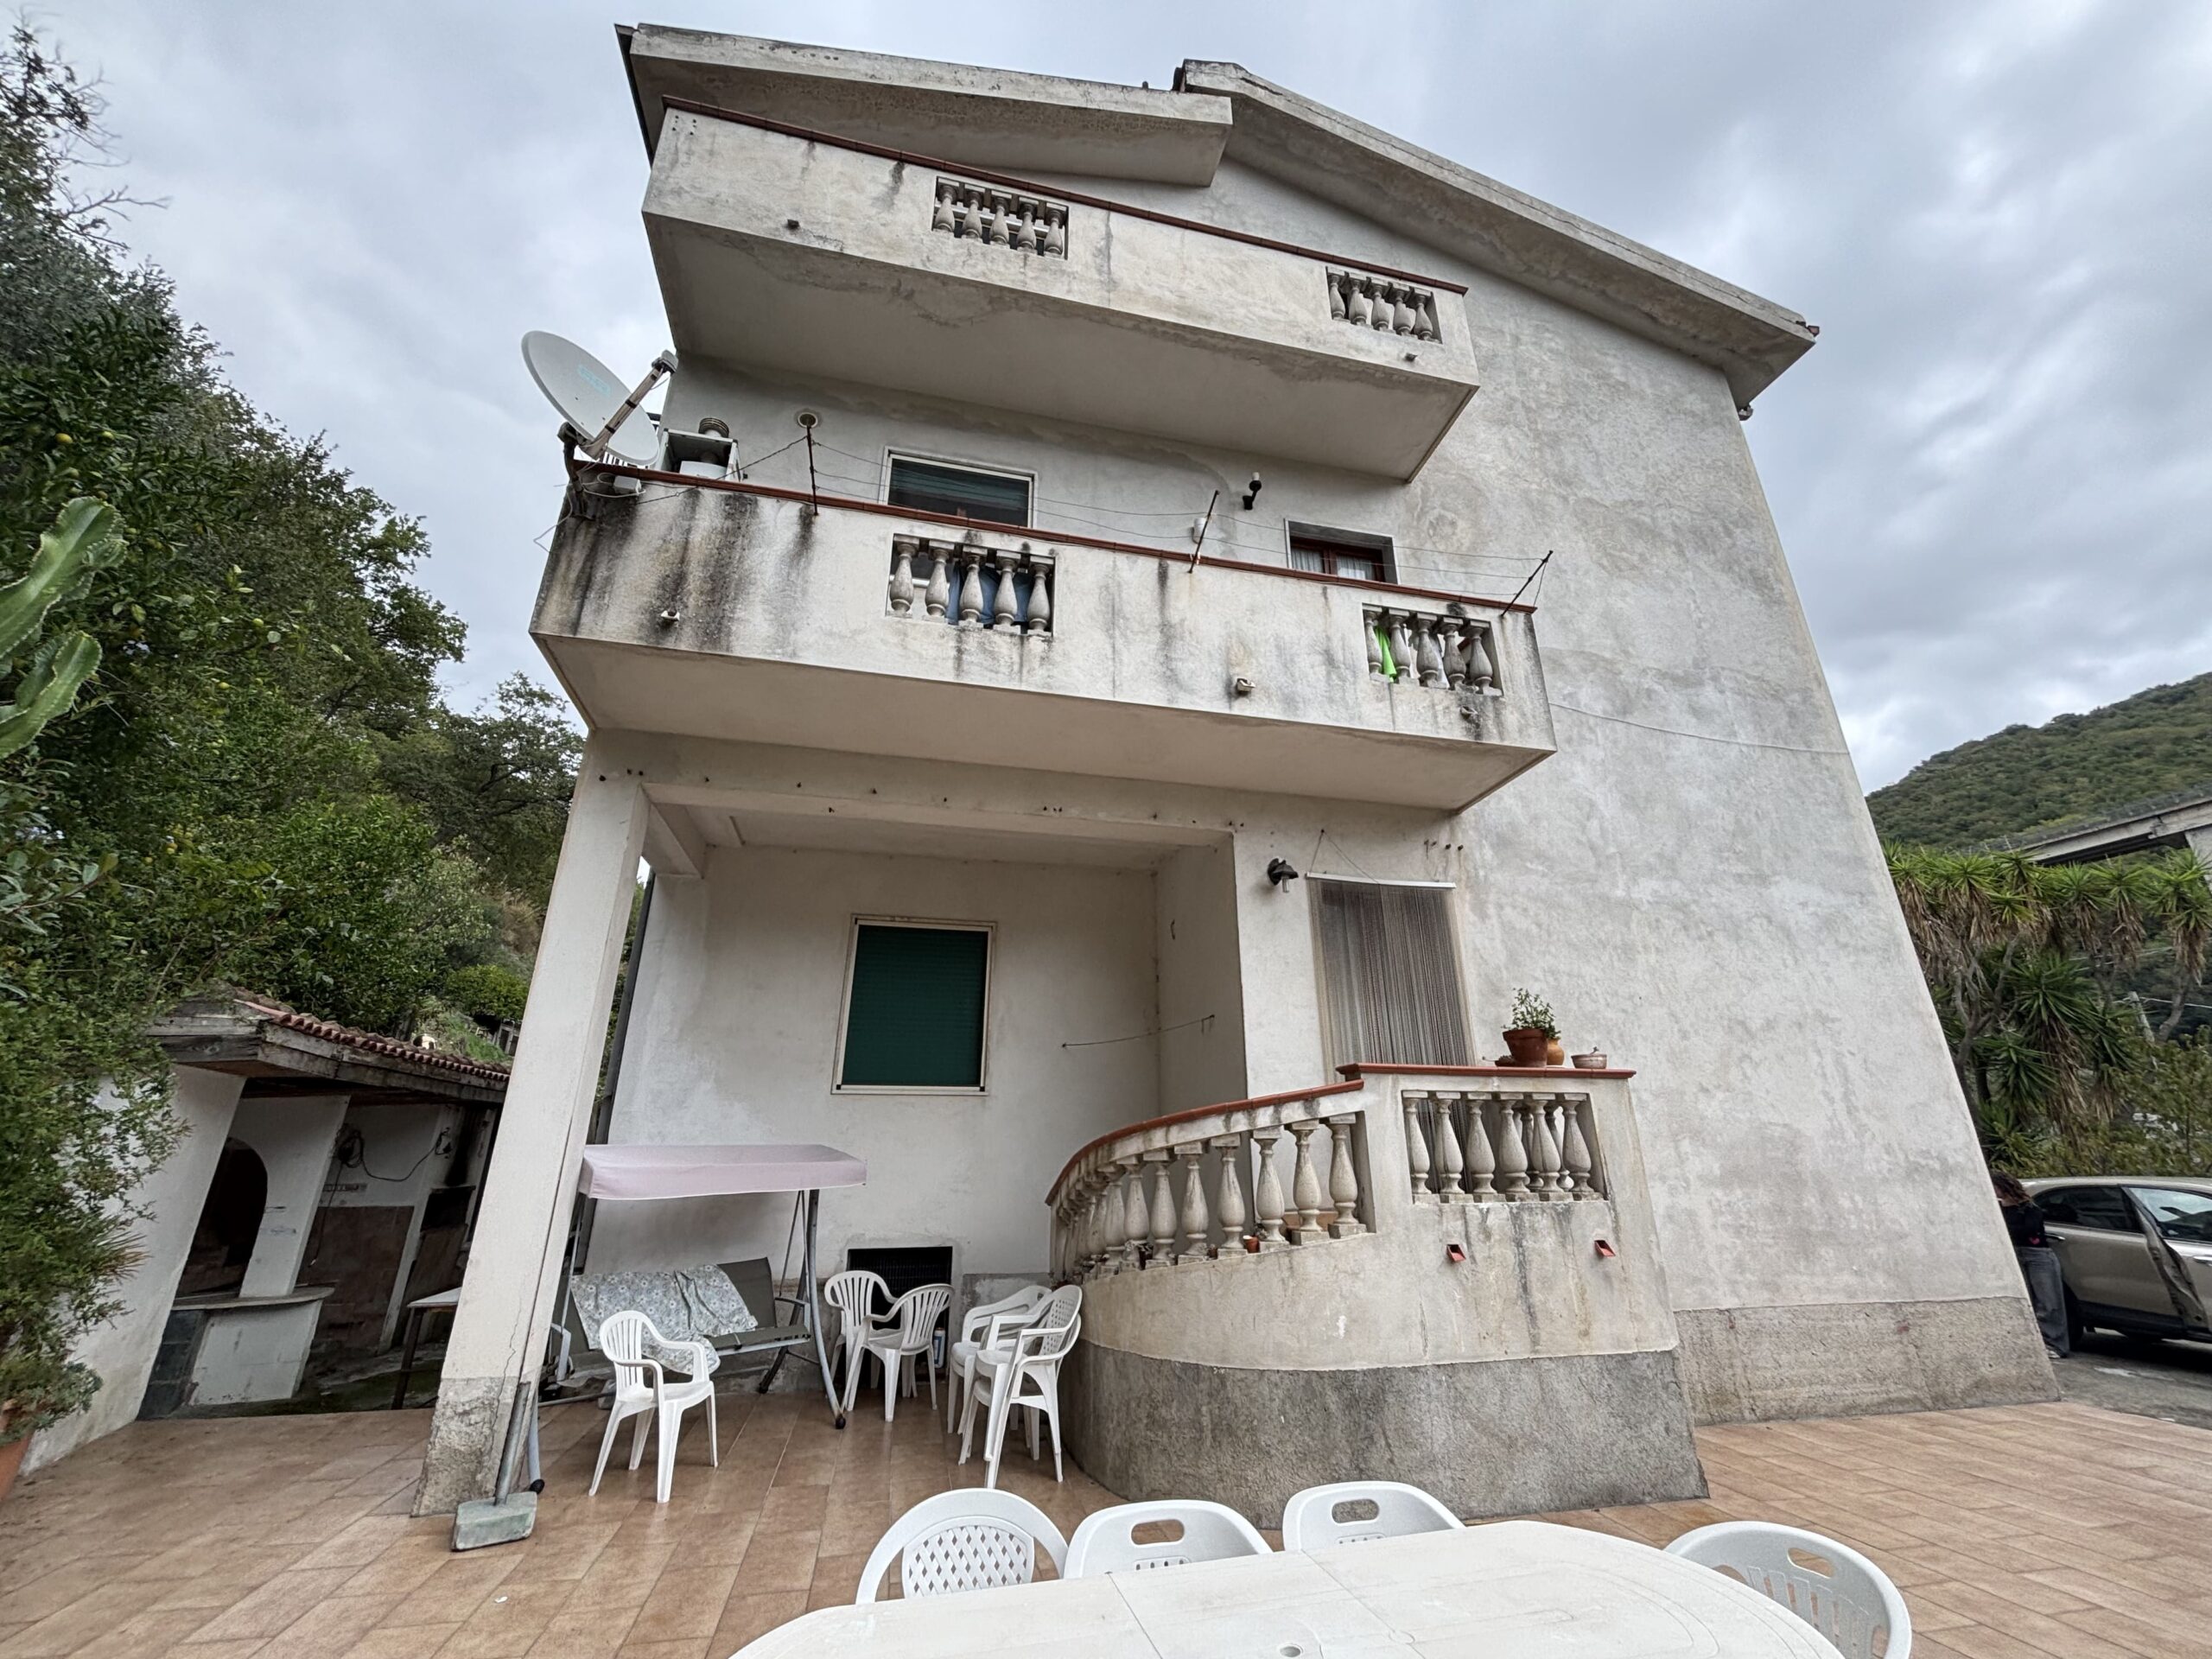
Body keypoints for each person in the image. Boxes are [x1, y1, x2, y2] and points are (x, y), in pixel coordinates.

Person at [1993, 1172, 2069, 1359]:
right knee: (2029, 1300)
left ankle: (2055, 1343)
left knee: (2048, 1300)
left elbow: (2029, 1229)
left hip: (2037, 1255)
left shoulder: (2029, 1208)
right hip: (2017, 1252)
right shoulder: (1999, 1208)